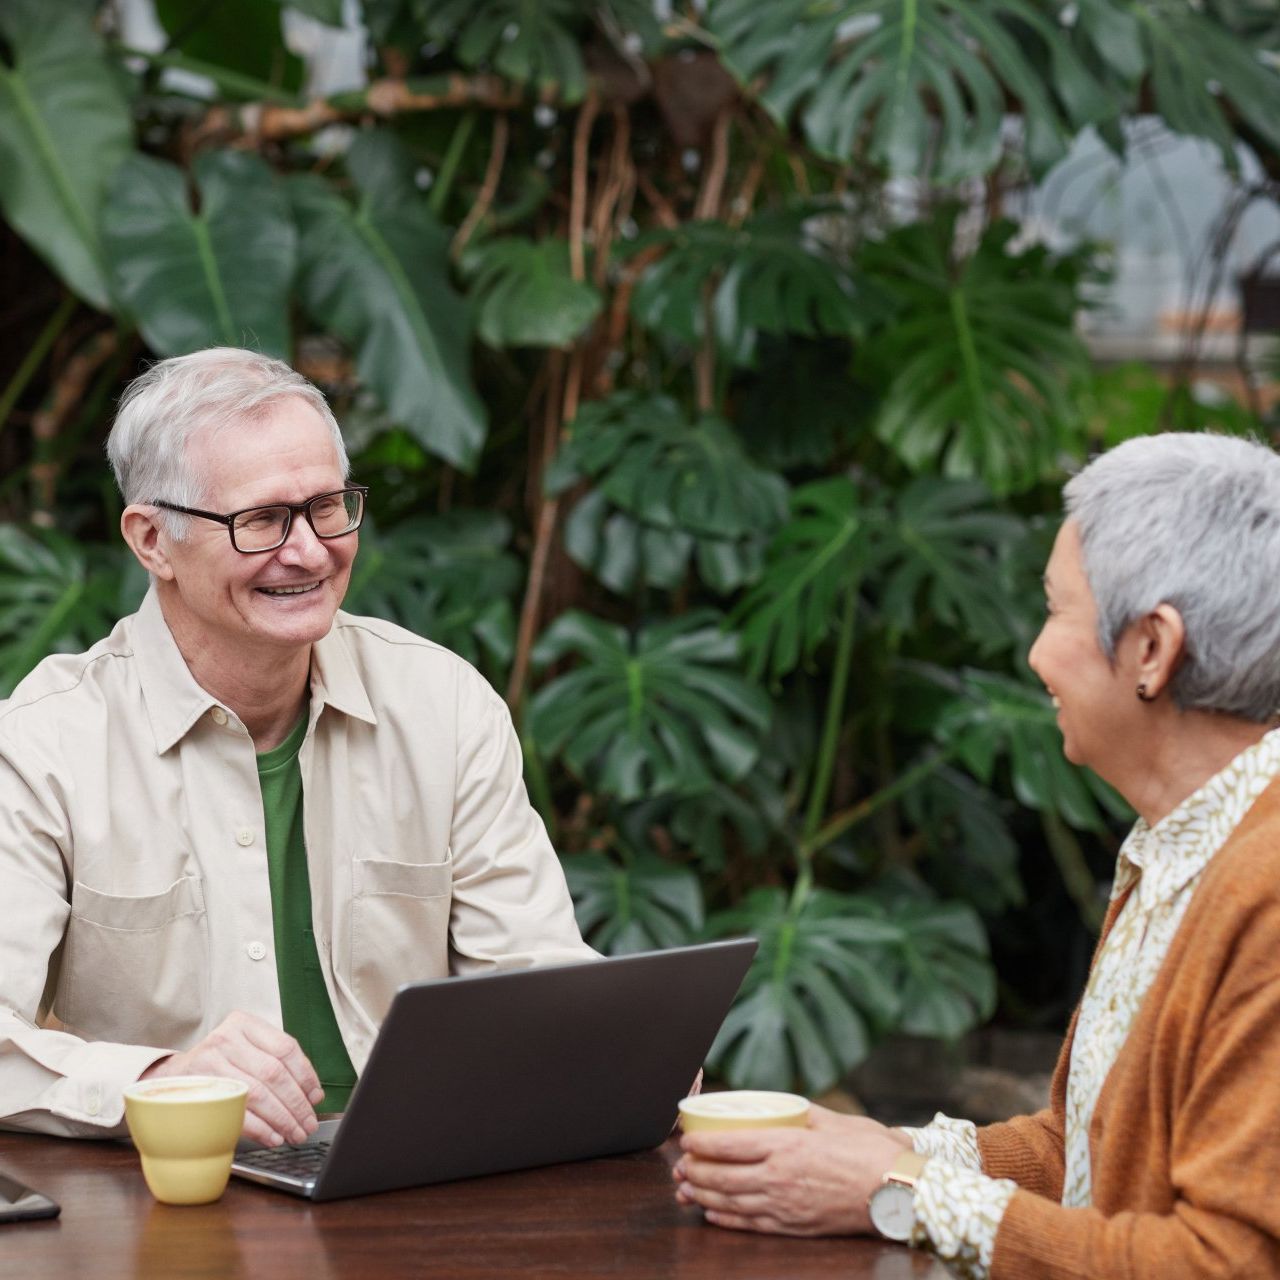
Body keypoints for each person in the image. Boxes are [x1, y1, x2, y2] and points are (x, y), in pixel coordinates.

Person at [674, 431, 1280, 1276]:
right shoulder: (1182, 841)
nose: (1036, 654)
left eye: (1058, 610)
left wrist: (903, 1192)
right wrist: (879, 1152)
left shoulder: (1266, 887)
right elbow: (1080, 1154)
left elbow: (1228, 1263)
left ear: (1151, 648)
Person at [0, 348, 594, 1149]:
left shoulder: (441, 705)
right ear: (152, 541)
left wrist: (616, 1044)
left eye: (326, 507)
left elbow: (536, 984)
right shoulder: (44, 745)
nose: (310, 550)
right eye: (262, 520)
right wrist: (160, 1086)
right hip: (172, 1200)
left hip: (417, 1180)